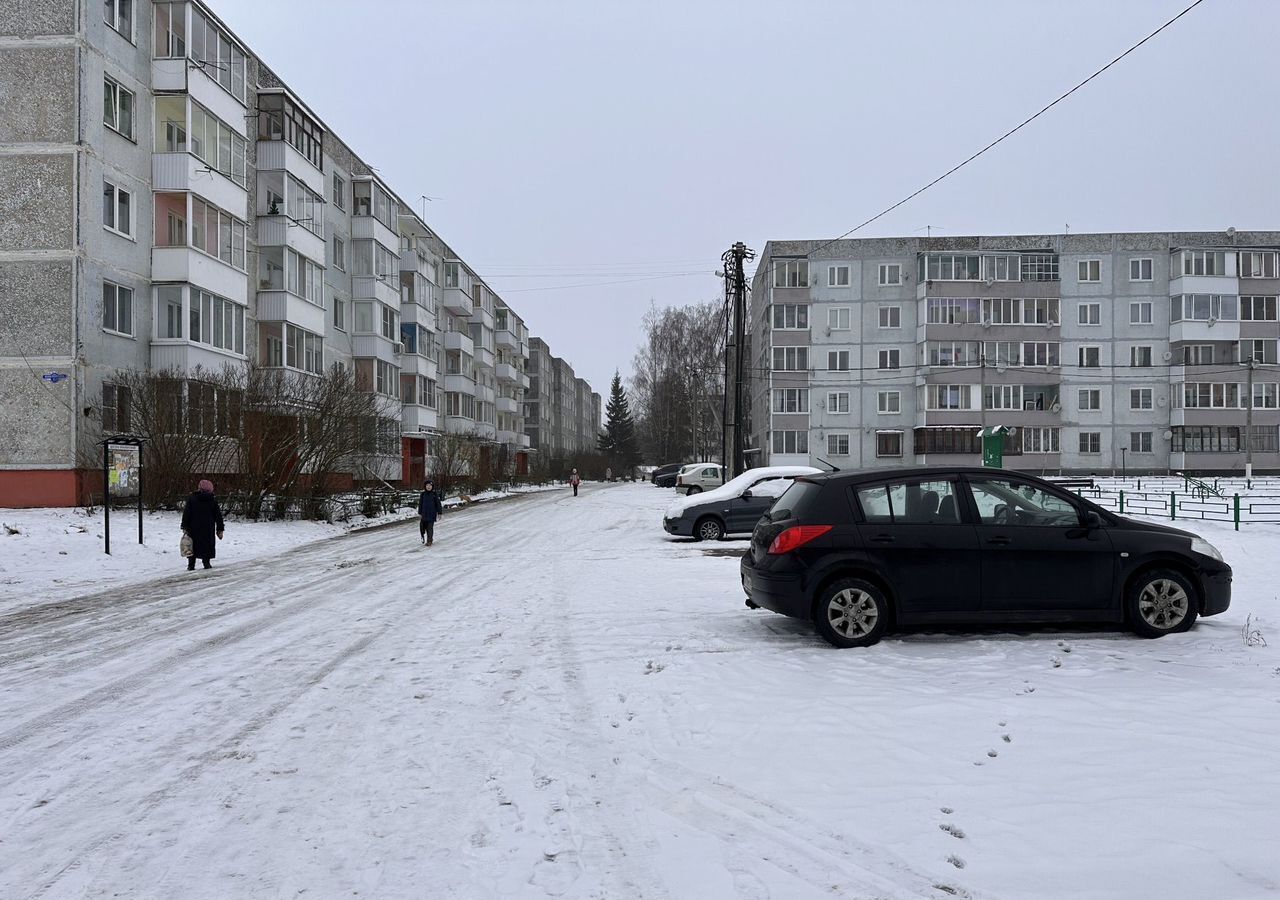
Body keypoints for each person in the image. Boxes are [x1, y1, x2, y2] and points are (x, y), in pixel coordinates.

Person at [181, 479, 224, 571]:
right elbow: (218, 516)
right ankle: (206, 562)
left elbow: (186, 514)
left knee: (192, 545)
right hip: (208, 528)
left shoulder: (192, 499)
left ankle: (191, 564)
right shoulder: (212, 500)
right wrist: (220, 529)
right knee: (206, 545)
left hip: (193, 528)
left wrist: (184, 526)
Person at [418, 479, 444, 545]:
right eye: (427, 485)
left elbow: (438, 504)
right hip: (424, 514)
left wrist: (439, 513)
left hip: (432, 515)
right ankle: (428, 538)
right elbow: (420, 504)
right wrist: (420, 512)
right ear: (425, 486)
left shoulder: (434, 494)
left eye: (430, 485)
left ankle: (429, 541)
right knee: (424, 528)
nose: (428, 487)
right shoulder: (423, 494)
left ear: (432, 486)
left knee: (430, 528)